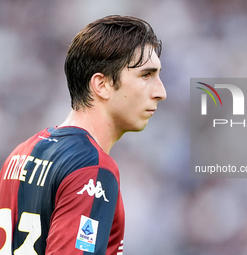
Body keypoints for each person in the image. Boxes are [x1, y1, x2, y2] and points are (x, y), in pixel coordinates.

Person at [0, 15, 166, 254]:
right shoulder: (92, 168)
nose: (161, 92)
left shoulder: (20, 153)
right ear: (102, 85)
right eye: (146, 75)